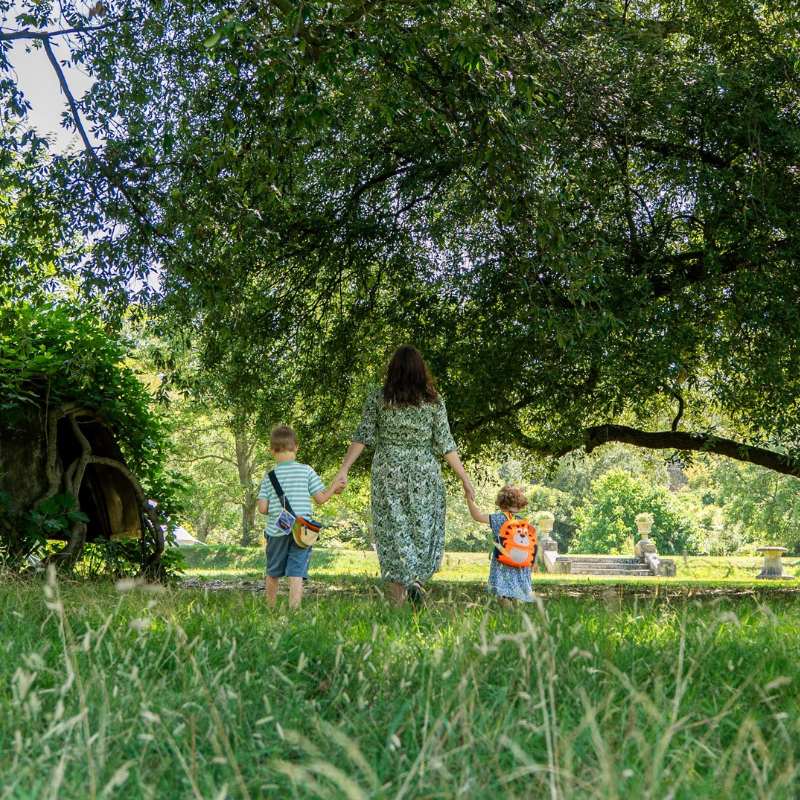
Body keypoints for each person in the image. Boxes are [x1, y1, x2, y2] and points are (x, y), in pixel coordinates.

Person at [334, 345, 475, 605]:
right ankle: (417, 581)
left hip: (388, 471)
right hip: (423, 471)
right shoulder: (433, 401)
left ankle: (399, 601)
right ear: (421, 371)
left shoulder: (379, 397)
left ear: (393, 369)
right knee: (423, 529)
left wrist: (344, 470)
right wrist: (465, 479)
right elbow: (446, 444)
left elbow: (361, 437)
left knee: (392, 531)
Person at [257, 425, 344, 609]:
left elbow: (262, 508)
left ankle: (270, 607)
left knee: (273, 570)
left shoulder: (269, 477)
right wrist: (333, 488)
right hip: (302, 531)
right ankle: (293, 609)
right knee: (296, 571)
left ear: (272, 450)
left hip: (276, 530)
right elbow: (320, 499)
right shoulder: (306, 471)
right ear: (296, 447)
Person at [465, 483, 537, 605]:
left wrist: (469, 498)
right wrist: (534, 561)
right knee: (518, 591)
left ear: (502, 501)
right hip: (521, 562)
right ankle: (518, 613)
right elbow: (534, 541)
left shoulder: (498, 518)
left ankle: (508, 612)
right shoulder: (523, 520)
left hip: (502, 562)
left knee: (504, 593)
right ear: (520, 502)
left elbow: (477, 516)